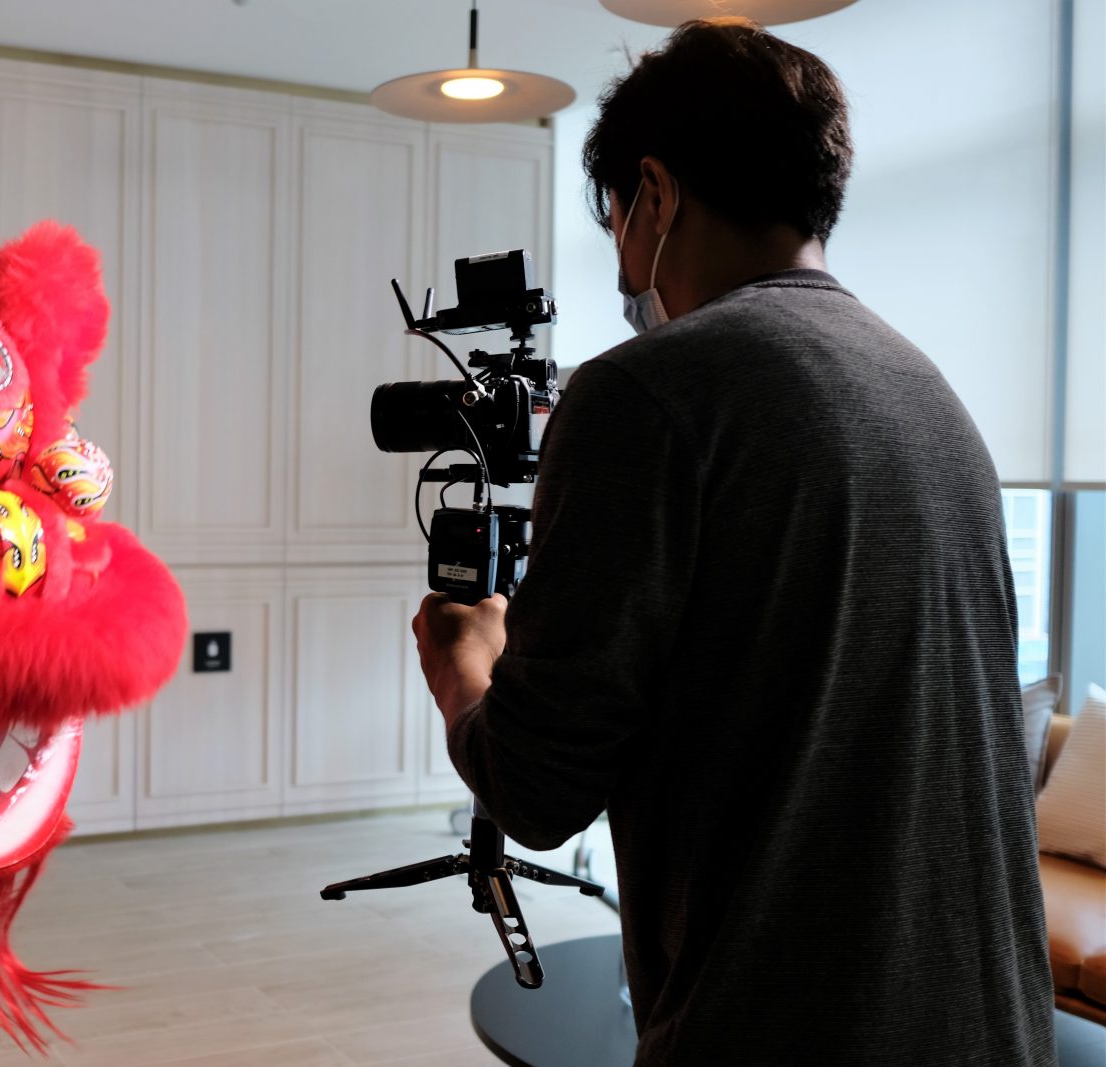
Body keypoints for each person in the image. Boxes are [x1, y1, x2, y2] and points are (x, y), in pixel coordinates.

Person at [412, 17, 1056, 1067]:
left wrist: (464, 661)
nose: (625, 261)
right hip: (989, 1023)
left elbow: (533, 787)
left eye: (617, 217)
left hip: (784, 1024)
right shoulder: (930, 391)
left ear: (654, 197)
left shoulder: (646, 390)